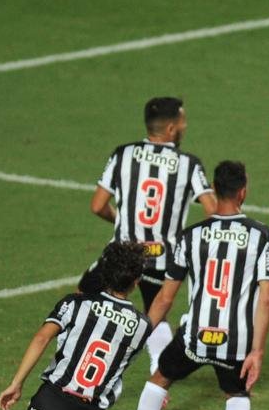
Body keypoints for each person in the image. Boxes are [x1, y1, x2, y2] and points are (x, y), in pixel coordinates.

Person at [126, 160, 269, 410]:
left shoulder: (190, 236)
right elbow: (266, 299)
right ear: (243, 192)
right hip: (235, 341)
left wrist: (136, 338)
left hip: (194, 335)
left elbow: (164, 299)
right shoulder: (260, 236)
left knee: (160, 380)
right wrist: (256, 351)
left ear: (215, 191)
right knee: (237, 392)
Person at [82, 97, 217, 375]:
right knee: (156, 315)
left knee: (83, 299)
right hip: (161, 258)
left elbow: (97, 205)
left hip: (122, 252)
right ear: (170, 128)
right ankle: (160, 374)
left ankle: (83, 361)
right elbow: (212, 211)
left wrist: (122, 221)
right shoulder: (188, 164)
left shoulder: (123, 154)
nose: (185, 126)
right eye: (182, 121)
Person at [0, 241, 152, 410]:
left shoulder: (75, 303)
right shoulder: (143, 327)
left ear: (105, 272)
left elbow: (42, 338)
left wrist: (16, 383)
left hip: (47, 402)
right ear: (136, 282)